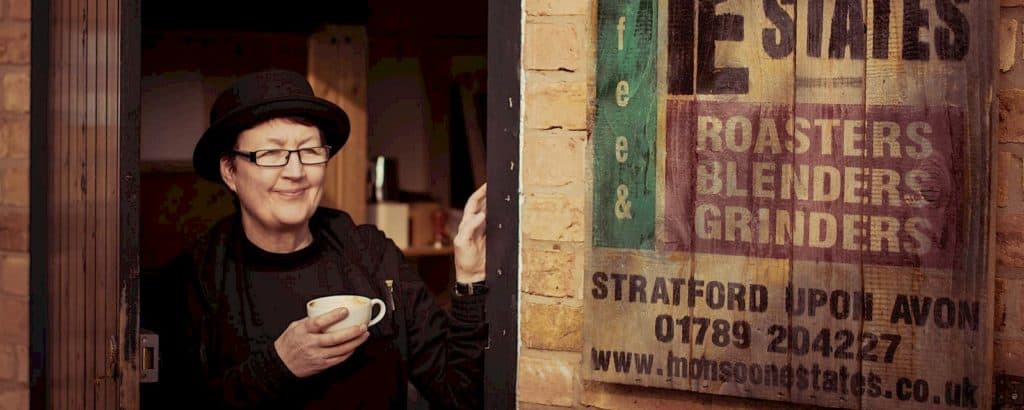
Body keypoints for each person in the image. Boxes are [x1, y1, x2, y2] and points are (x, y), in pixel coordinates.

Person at [152, 70, 488, 409]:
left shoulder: (371, 256)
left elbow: (459, 395)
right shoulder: (195, 279)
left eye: (310, 150)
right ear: (230, 171)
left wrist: (470, 279)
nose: (296, 172)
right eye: (271, 153)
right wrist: (278, 365)